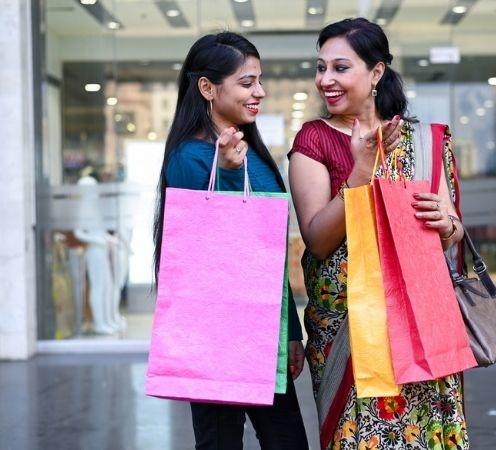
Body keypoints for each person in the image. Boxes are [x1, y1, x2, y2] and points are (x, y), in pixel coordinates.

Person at [289, 18, 469, 449]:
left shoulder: (424, 141)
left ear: (376, 73)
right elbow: (317, 240)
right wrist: (360, 171)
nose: (325, 80)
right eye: (320, 68)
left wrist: (448, 226)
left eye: (339, 68)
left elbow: (452, 232)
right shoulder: (314, 140)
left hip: (420, 326)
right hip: (351, 334)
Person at [153, 32, 309, 450]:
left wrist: (290, 331)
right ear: (207, 88)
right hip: (216, 335)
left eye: (259, 80)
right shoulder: (188, 158)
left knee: (288, 441)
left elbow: (270, 257)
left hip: (264, 334)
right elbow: (203, 248)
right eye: (246, 82)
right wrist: (222, 173)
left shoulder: (254, 154)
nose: (259, 92)